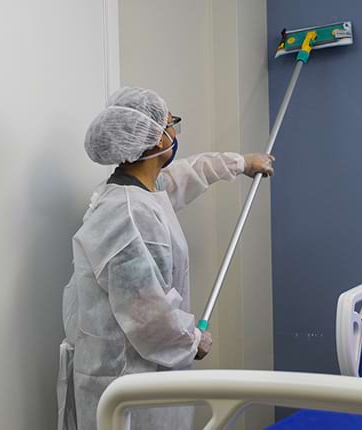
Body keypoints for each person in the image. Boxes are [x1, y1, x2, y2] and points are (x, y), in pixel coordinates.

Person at [56, 87, 275, 430]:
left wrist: (241, 163)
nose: (174, 130)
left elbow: (181, 177)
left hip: (136, 375)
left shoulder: (136, 191)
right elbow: (148, 312)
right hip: (129, 382)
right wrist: (191, 340)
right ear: (158, 142)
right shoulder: (128, 217)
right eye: (171, 123)